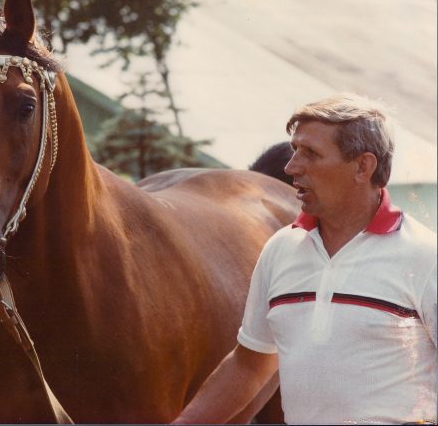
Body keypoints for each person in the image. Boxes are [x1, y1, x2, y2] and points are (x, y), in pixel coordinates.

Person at [172, 94, 437, 425]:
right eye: (295, 149)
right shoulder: (280, 249)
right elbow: (250, 363)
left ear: (363, 166)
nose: (291, 167)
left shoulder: (426, 257)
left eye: (310, 153)